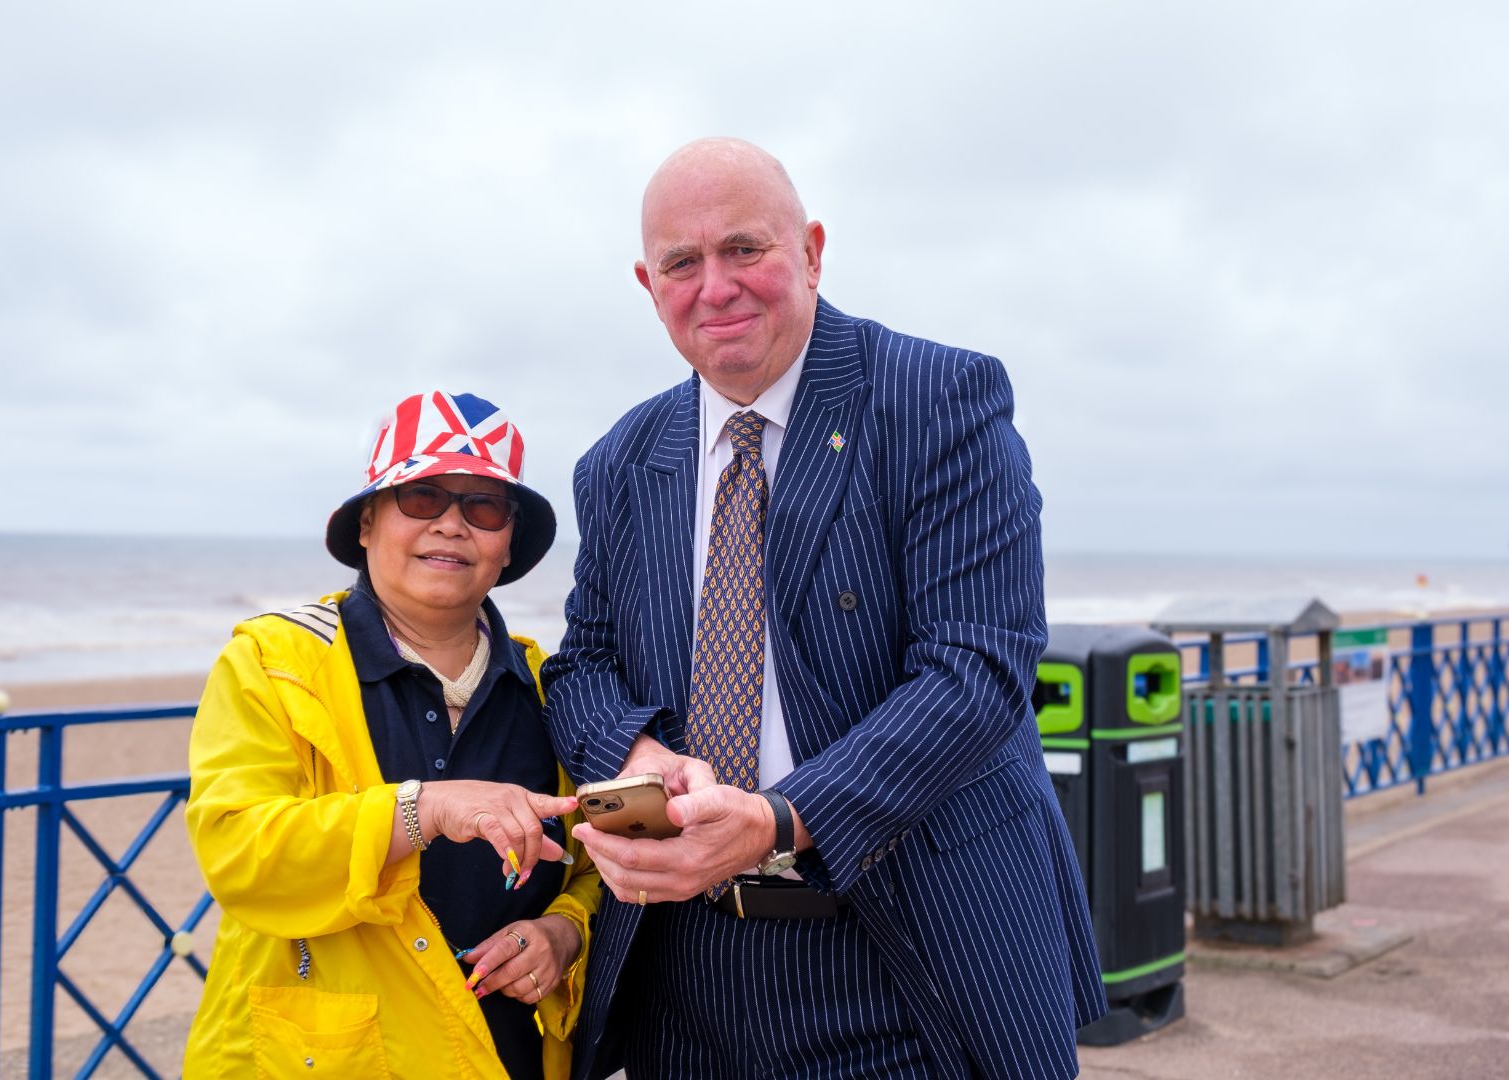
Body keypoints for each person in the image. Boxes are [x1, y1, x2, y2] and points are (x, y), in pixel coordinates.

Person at [541, 138, 1106, 1079]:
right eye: (683, 263)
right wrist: (635, 756)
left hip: (904, 945)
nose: (715, 286)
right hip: (686, 972)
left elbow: (976, 672)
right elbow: (582, 666)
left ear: (811, 250)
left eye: (744, 249)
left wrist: (777, 817)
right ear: (649, 285)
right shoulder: (620, 460)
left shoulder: (940, 397)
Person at [184, 390, 600, 1079]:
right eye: (422, 498)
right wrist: (423, 809)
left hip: (507, 1057)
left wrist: (564, 932)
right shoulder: (273, 662)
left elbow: (593, 867)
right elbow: (238, 852)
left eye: (484, 507)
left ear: (508, 544)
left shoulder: (546, 682)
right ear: (368, 523)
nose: (452, 525)